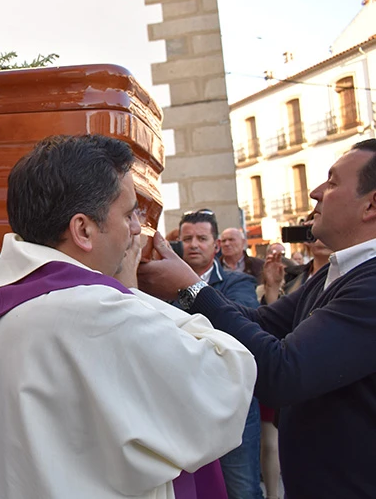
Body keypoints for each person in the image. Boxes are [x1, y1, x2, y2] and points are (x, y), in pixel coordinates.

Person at [0, 134, 257, 499]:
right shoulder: (97, 312)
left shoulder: (8, 304)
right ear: (83, 230)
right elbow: (230, 378)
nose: (137, 228)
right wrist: (134, 291)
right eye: (129, 213)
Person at [137, 138, 376, 497]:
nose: (315, 192)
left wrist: (191, 289)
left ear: (371, 205)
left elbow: (284, 372)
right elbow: (258, 322)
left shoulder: (370, 285)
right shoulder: (337, 274)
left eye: (333, 182)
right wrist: (179, 290)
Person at [178, 210, 263, 499]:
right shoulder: (159, 283)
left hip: (232, 402)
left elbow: (238, 329)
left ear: (215, 245)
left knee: (242, 488)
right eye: (186, 238)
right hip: (185, 403)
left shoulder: (238, 283)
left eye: (202, 238)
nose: (193, 244)